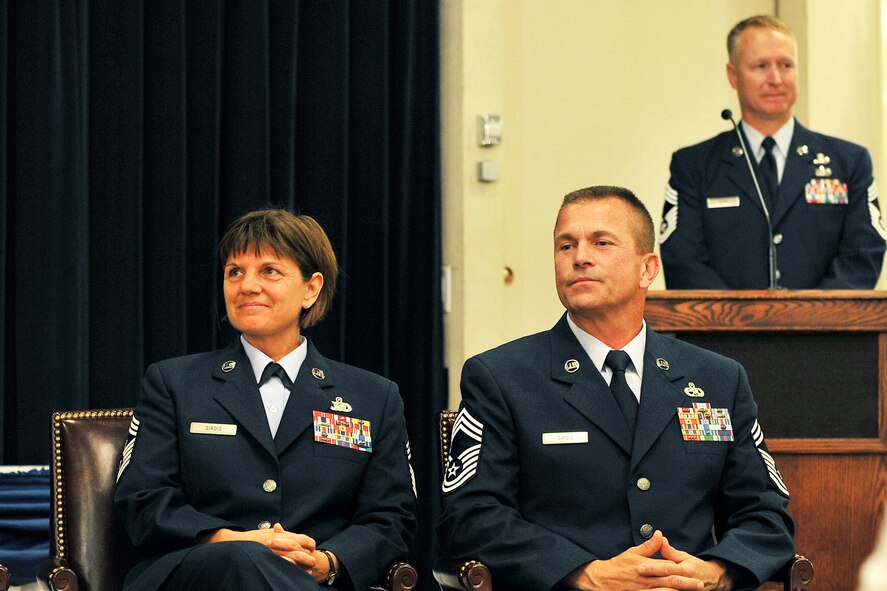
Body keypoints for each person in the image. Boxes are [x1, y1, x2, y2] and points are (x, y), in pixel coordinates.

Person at [437, 186, 795, 590]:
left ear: (648, 269)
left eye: (601, 242)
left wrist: (718, 572)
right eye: (565, 245)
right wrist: (584, 573)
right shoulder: (501, 377)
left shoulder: (717, 380)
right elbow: (471, 516)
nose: (580, 257)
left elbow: (765, 513)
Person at [114, 209, 417, 590]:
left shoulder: (373, 396)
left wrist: (327, 562)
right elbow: (142, 501)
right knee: (246, 559)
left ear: (311, 288)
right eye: (234, 272)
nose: (247, 286)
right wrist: (234, 540)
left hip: (317, 578)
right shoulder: (173, 383)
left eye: (269, 271)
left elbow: (392, 517)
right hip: (196, 573)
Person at [659, 15, 886, 289]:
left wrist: (809, 318)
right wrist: (743, 321)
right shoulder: (693, 165)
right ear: (733, 75)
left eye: (786, 65)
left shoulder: (849, 162)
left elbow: (863, 255)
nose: (776, 78)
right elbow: (684, 263)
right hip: (723, 330)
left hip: (827, 330)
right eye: (761, 66)